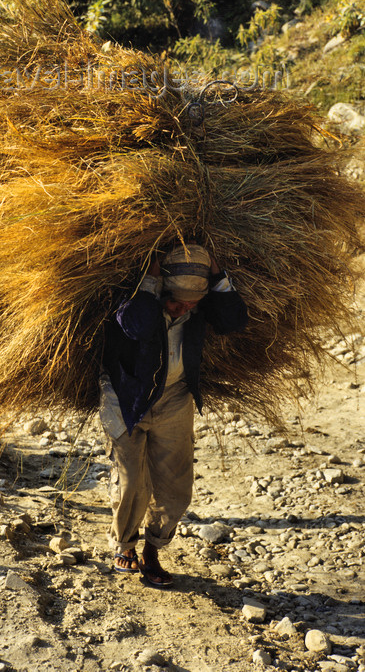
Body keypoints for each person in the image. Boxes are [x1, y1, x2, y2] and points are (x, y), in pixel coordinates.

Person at [99, 243, 248, 587]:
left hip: (175, 399)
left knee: (175, 486)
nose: (183, 309)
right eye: (176, 302)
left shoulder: (195, 308)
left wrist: (216, 275)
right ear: (161, 289)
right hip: (125, 397)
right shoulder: (136, 302)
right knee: (131, 480)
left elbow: (234, 319)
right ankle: (125, 545)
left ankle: (153, 550)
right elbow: (134, 326)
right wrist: (151, 283)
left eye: (191, 304)